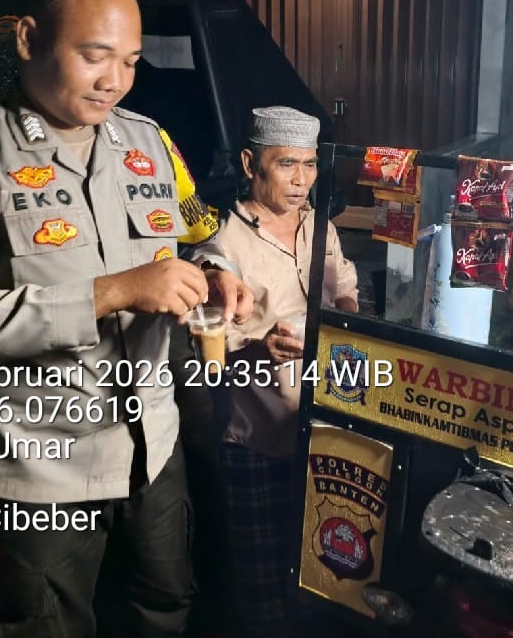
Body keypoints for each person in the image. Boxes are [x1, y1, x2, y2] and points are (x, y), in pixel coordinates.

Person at [0, 0, 252, 637]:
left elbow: (198, 230)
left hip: (152, 447)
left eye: (131, 61)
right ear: (29, 39)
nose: (116, 81)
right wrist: (112, 292)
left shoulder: (147, 142)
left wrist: (215, 268)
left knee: (163, 609)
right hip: (38, 470)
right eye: (94, 55)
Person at [205, 106, 358, 636]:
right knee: (263, 579)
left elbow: (346, 295)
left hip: (325, 431)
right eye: (286, 164)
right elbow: (206, 349)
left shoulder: (321, 228)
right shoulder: (222, 242)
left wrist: (348, 317)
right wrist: (257, 348)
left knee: (322, 561)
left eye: (310, 165)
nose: (301, 179)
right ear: (252, 164)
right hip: (257, 436)